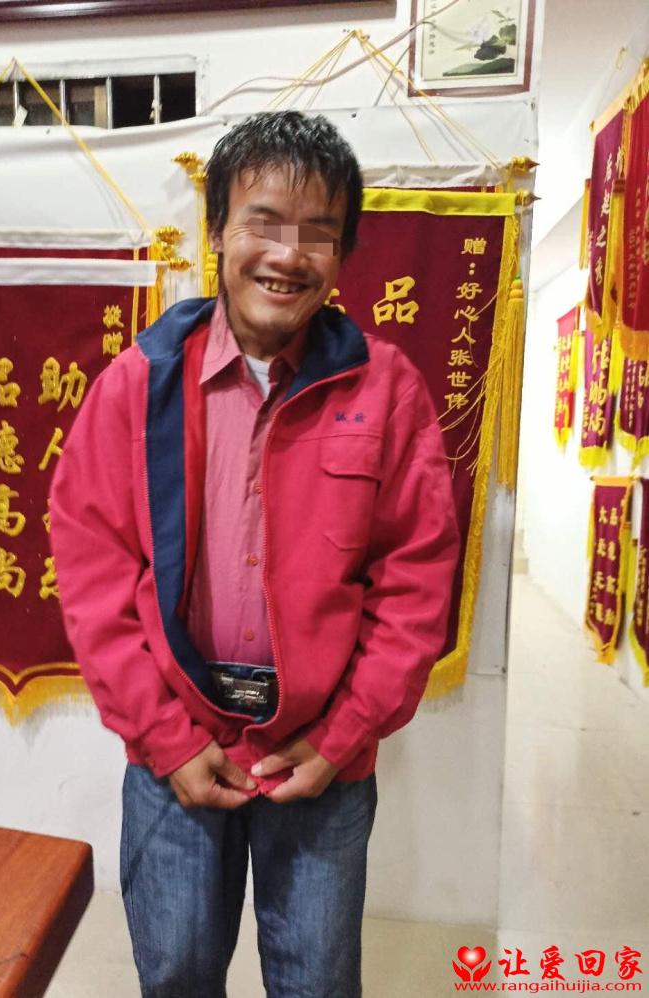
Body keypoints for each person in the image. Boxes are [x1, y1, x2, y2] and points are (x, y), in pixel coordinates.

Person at [49, 110, 459, 998]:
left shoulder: (387, 389)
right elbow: (91, 570)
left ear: (342, 253)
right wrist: (165, 738)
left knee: (318, 983)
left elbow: (417, 581)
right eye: (263, 222)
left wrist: (342, 737)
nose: (287, 254)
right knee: (177, 975)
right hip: (175, 750)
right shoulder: (139, 385)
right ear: (217, 231)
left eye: (318, 232)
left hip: (321, 762)